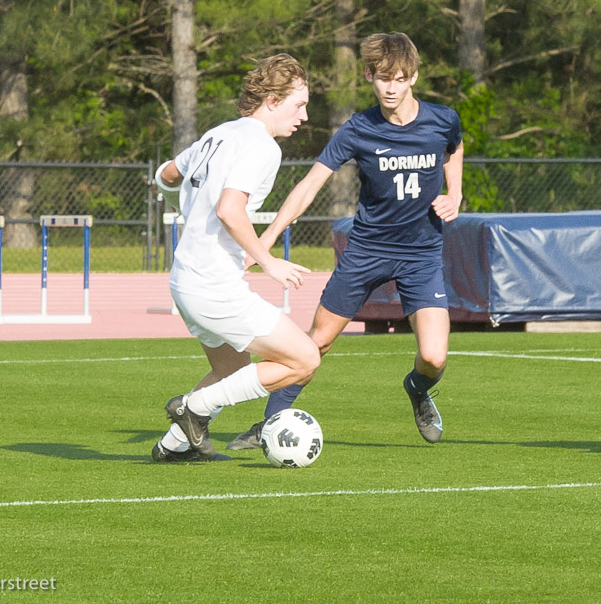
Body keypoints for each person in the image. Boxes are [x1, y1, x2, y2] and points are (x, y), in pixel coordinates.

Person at [226, 32, 463, 450]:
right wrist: (262, 243)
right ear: (370, 75)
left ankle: (417, 389)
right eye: (383, 78)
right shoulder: (358, 129)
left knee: (434, 357)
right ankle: (269, 424)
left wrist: (455, 192)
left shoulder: (443, 119)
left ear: (414, 78)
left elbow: (454, 147)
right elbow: (309, 186)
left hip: (421, 254)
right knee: (313, 344)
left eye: (401, 78)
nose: (391, 87)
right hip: (366, 252)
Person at [150, 54, 321, 462]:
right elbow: (230, 209)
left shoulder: (219, 133)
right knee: (303, 359)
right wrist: (267, 260)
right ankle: (192, 409)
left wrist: (183, 204)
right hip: (213, 284)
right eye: (299, 104)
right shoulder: (262, 145)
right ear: (273, 100)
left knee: (229, 370)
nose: (305, 115)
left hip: (185, 279)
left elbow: (166, 175)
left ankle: (173, 446)